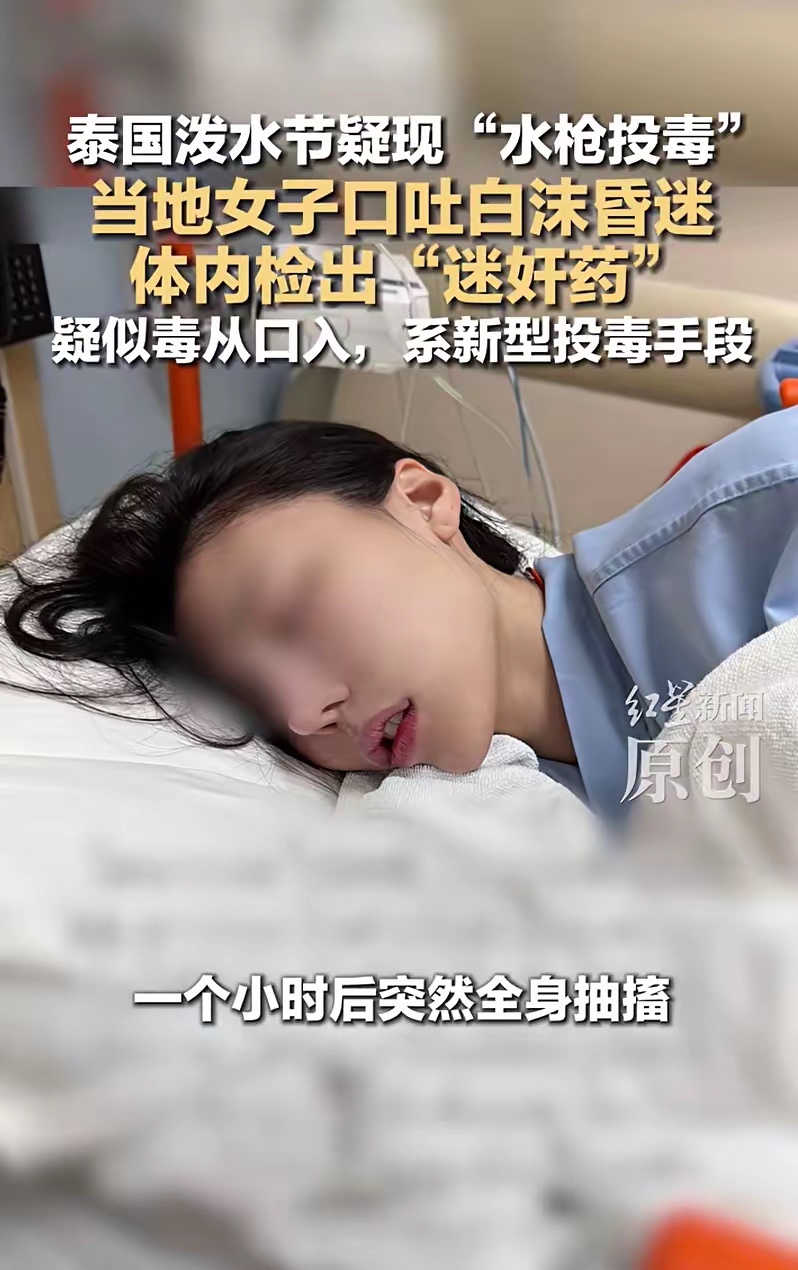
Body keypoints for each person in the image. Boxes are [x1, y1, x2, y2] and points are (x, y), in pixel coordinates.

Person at [4, 409, 798, 820]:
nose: (303, 712)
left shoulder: (763, 517)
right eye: (257, 699)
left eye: (293, 614)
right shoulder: (509, 827)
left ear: (421, 501)